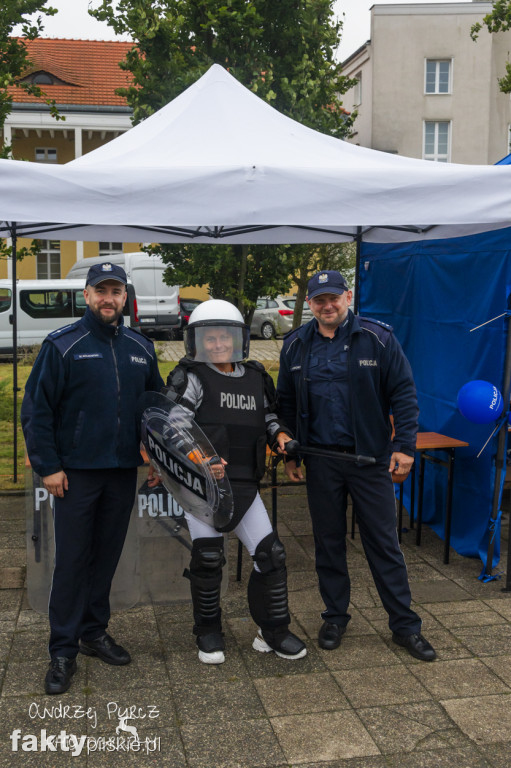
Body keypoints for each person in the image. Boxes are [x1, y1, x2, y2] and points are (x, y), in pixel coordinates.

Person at [277, 270, 436, 662]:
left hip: (370, 461)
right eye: (319, 300)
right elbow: (284, 405)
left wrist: (405, 447)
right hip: (321, 461)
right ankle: (334, 617)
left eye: (334, 298)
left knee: (383, 544)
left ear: (347, 297)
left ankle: (405, 626)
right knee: (328, 543)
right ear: (311, 304)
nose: (327, 305)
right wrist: (293, 454)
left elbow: (403, 393)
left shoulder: (378, 337)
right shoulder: (296, 345)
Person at [21, 262, 164, 695]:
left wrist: (157, 457)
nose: (109, 298)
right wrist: (48, 466)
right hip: (75, 475)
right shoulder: (62, 345)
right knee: (72, 562)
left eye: (116, 291)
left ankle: (93, 632)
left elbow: (154, 410)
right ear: (86, 296)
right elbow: (36, 410)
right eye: (100, 291)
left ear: (125, 297)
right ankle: (62, 649)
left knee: (105, 557)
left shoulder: (141, 347)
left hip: (122, 472)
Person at [165, 299, 306, 664]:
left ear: (237, 340)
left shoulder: (256, 377)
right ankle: (208, 631)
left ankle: (272, 631)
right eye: (208, 339)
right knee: (209, 558)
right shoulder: (193, 379)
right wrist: (199, 457)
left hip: (244, 484)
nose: (216, 345)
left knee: (271, 556)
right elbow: (172, 428)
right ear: (196, 342)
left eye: (223, 338)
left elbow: (269, 416)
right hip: (202, 489)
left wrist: (281, 437)